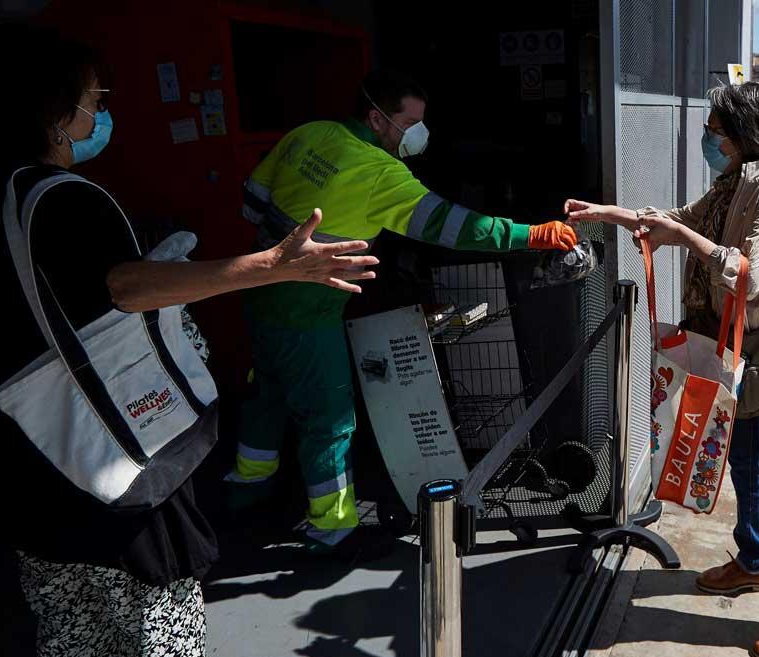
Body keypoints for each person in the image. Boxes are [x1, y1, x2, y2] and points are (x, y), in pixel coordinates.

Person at [0, 23, 377, 657]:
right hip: (112, 465)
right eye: (94, 98)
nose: (101, 111)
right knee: (157, 642)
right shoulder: (60, 199)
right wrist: (272, 264)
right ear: (55, 114)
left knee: (72, 641)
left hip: (28, 456)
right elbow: (126, 286)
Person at [224, 69, 578, 553]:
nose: (418, 133)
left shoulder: (307, 135)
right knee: (328, 416)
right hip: (309, 312)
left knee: (263, 392)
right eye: (410, 122)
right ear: (376, 117)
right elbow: (457, 228)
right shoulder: (379, 173)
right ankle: (332, 521)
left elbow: (251, 201)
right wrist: (529, 234)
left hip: (257, 294)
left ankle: (248, 486)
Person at [564, 82, 759, 657]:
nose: (709, 139)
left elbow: (752, 273)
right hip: (743, 354)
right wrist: (613, 215)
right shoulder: (734, 183)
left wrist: (686, 240)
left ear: (747, 134)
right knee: (743, 461)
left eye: (717, 131)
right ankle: (755, 560)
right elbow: (676, 220)